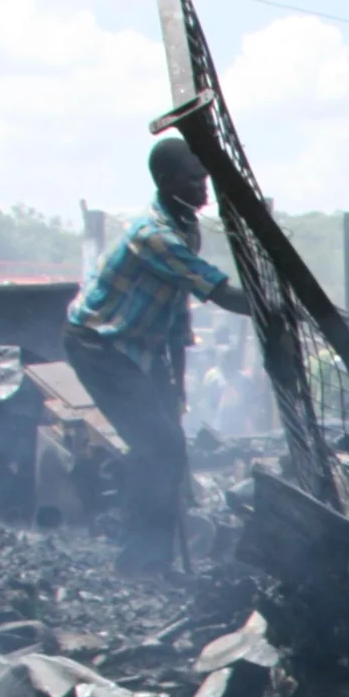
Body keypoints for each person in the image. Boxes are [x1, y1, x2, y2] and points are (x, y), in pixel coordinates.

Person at [64, 136, 252, 573]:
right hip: (97, 344)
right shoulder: (153, 235)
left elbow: (173, 313)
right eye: (193, 179)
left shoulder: (185, 225)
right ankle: (141, 559)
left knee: (165, 444)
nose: (203, 188)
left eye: (204, 178)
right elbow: (218, 291)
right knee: (160, 446)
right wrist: (289, 309)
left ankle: (153, 556)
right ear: (167, 182)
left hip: (133, 348)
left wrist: (175, 387)